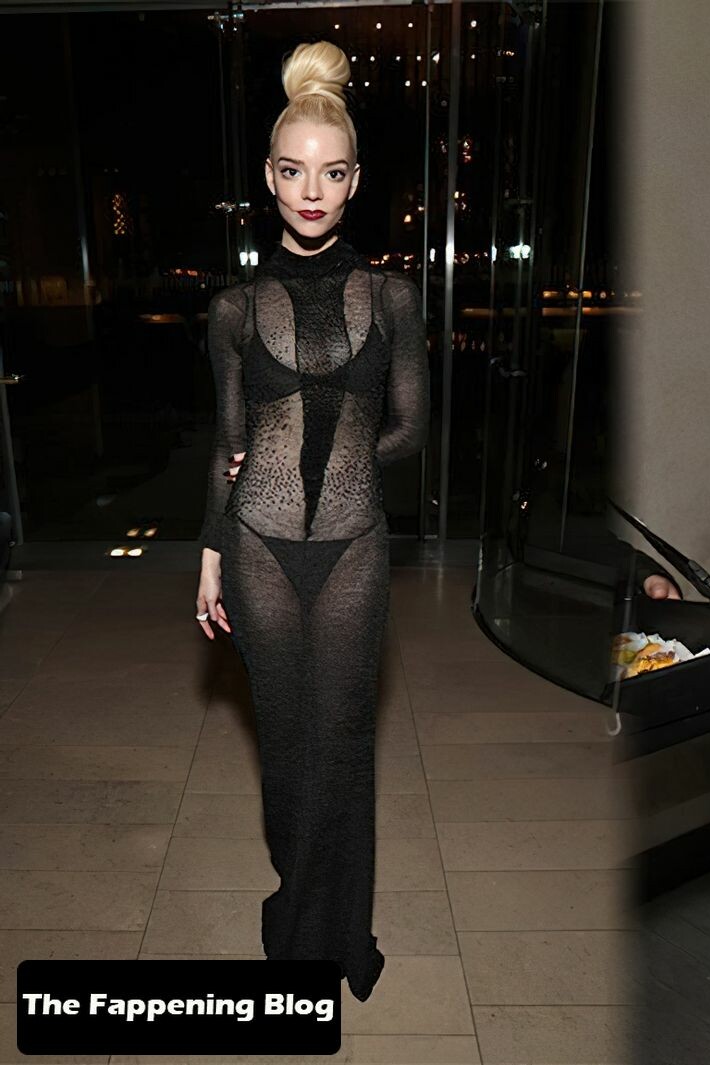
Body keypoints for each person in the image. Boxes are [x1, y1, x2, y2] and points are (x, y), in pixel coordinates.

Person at [193, 40, 427, 1003]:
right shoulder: (232, 310)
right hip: (255, 546)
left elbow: (412, 431)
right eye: (294, 171)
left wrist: (342, 455)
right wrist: (209, 553)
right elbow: (227, 442)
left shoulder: (395, 298)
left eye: (331, 173)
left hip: (354, 550)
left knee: (341, 750)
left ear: (355, 180)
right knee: (288, 755)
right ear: (269, 177)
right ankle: (296, 924)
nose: (312, 191)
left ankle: (337, 935)